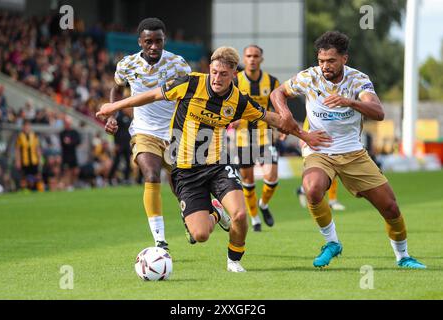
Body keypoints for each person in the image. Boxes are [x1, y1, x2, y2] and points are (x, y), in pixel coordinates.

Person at [96, 46, 331, 272]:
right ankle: (217, 211)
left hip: (217, 165)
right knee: (200, 235)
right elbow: (150, 96)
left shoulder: (239, 100)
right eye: (215, 72)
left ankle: (234, 260)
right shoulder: (188, 83)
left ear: (233, 75)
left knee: (239, 215)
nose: (217, 78)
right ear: (210, 68)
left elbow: (274, 119)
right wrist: (113, 106)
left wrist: (305, 135)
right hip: (185, 171)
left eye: (224, 74)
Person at [270, 31, 426, 269]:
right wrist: (286, 113)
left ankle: (403, 256)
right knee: (311, 189)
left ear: (344, 58)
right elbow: (277, 92)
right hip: (319, 149)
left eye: (331, 61)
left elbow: (378, 112)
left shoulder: (357, 80)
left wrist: (350, 101)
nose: (324, 66)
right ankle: (332, 243)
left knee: (390, 207)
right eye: (321, 60)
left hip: (353, 153)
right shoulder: (310, 76)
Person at [104, 18, 191, 251]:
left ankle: (189, 216)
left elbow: (189, 96)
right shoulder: (127, 65)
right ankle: (160, 240)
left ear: (164, 40)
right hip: (144, 131)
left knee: (180, 186)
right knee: (151, 175)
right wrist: (113, 115)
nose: (154, 46)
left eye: (158, 41)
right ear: (140, 42)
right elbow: (117, 87)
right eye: (149, 41)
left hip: (174, 134)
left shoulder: (179, 64)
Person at [230, 45, 281, 232]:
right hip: (243, 139)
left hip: (266, 137)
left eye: (256, 56)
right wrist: (233, 120)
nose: (252, 59)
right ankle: (254, 218)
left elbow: (278, 107)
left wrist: (281, 125)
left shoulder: (272, 82)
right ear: (244, 59)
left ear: (261, 59)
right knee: (248, 181)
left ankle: (264, 204)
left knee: (271, 177)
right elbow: (228, 106)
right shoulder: (235, 81)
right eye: (249, 56)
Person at [297, 118, 346, 211]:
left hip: (325, 139)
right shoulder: (313, 110)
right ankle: (329, 201)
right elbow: (308, 122)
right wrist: (303, 137)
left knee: (330, 170)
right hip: (312, 141)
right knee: (319, 172)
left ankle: (303, 190)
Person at [15, 120, 44, 191]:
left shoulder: (34, 135)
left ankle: (40, 189)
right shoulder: (20, 136)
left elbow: (37, 148)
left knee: (37, 176)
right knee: (25, 177)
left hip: (34, 159)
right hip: (24, 160)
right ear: (23, 127)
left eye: (28, 126)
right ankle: (25, 190)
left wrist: (40, 159)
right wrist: (18, 161)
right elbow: (18, 150)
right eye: (25, 126)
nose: (27, 127)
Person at [107, 110, 132, 185]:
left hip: (127, 144)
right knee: (116, 162)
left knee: (128, 162)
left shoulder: (129, 117)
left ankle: (126, 179)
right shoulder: (119, 117)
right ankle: (109, 178)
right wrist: (116, 144)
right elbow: (115, 132)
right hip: (120, 144)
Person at [60, 116, 81, 191]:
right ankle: (68, 185)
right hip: (66, 155)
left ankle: (72, 184)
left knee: (75, 171)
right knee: (67, 171)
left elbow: (78, 141)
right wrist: (69, 143)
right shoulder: (62, 133)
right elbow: (63, 143)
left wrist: (70, 142)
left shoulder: (74, 132)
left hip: (73, 154)